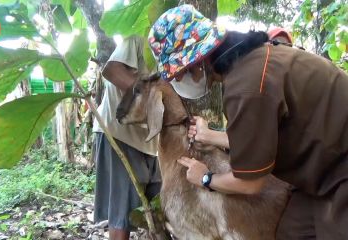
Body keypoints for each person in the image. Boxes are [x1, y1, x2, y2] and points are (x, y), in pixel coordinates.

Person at [148, 4, 348, 240]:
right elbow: (264, 133)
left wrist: (205, 178)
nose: (178, 79)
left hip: (338, 171)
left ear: (198, 60)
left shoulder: (247, 87)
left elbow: (250, 184)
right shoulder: (254, 61)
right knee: (292, 231)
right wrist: (212, 136)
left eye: (178, 72)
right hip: (321, 174)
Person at [93, 35, 161, 240]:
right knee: (121, 215)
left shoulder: (176, 57)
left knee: (159, 209)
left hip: (153, 144)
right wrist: (152, 98)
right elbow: (112, 70)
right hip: (120, 136)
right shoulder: (139, 39)